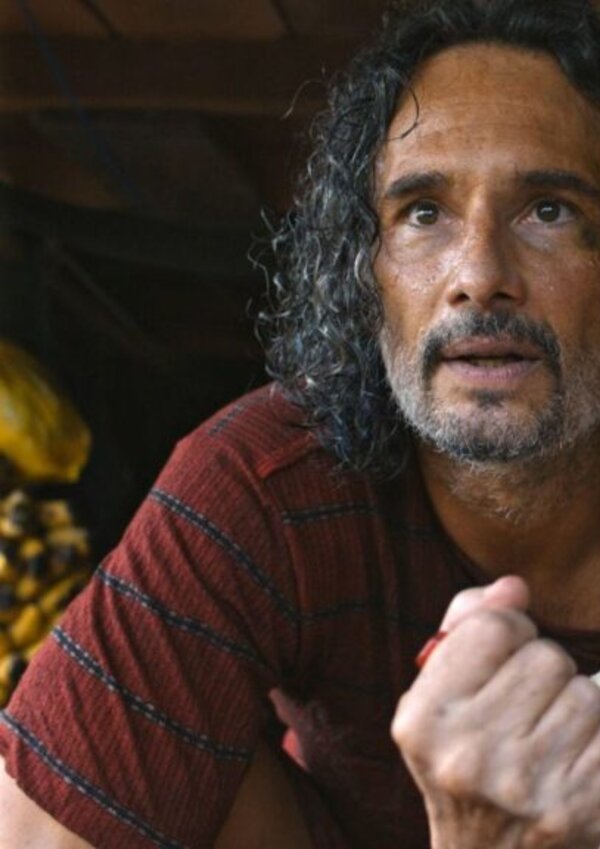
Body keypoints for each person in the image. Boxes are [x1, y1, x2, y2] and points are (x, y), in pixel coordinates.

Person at [3, 0, 600, 846]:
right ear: (364, 272)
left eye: (549, 210)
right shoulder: (269, 477)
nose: (478, 274)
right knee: (159, 769)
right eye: (422, 212)